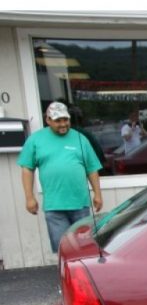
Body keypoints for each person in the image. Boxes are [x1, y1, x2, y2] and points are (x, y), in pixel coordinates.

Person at [18, 101, 103, 253]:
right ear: (48, 120)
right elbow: (27, 169)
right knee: (63, 250)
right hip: (54, 206)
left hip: (80, 204)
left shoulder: (80, 138)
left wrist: (98, 193)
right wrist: (29, 197)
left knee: (84, 248)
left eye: (66, 120)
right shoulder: (35, 140)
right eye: (58, 120)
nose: (63, 124)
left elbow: (92, 168)